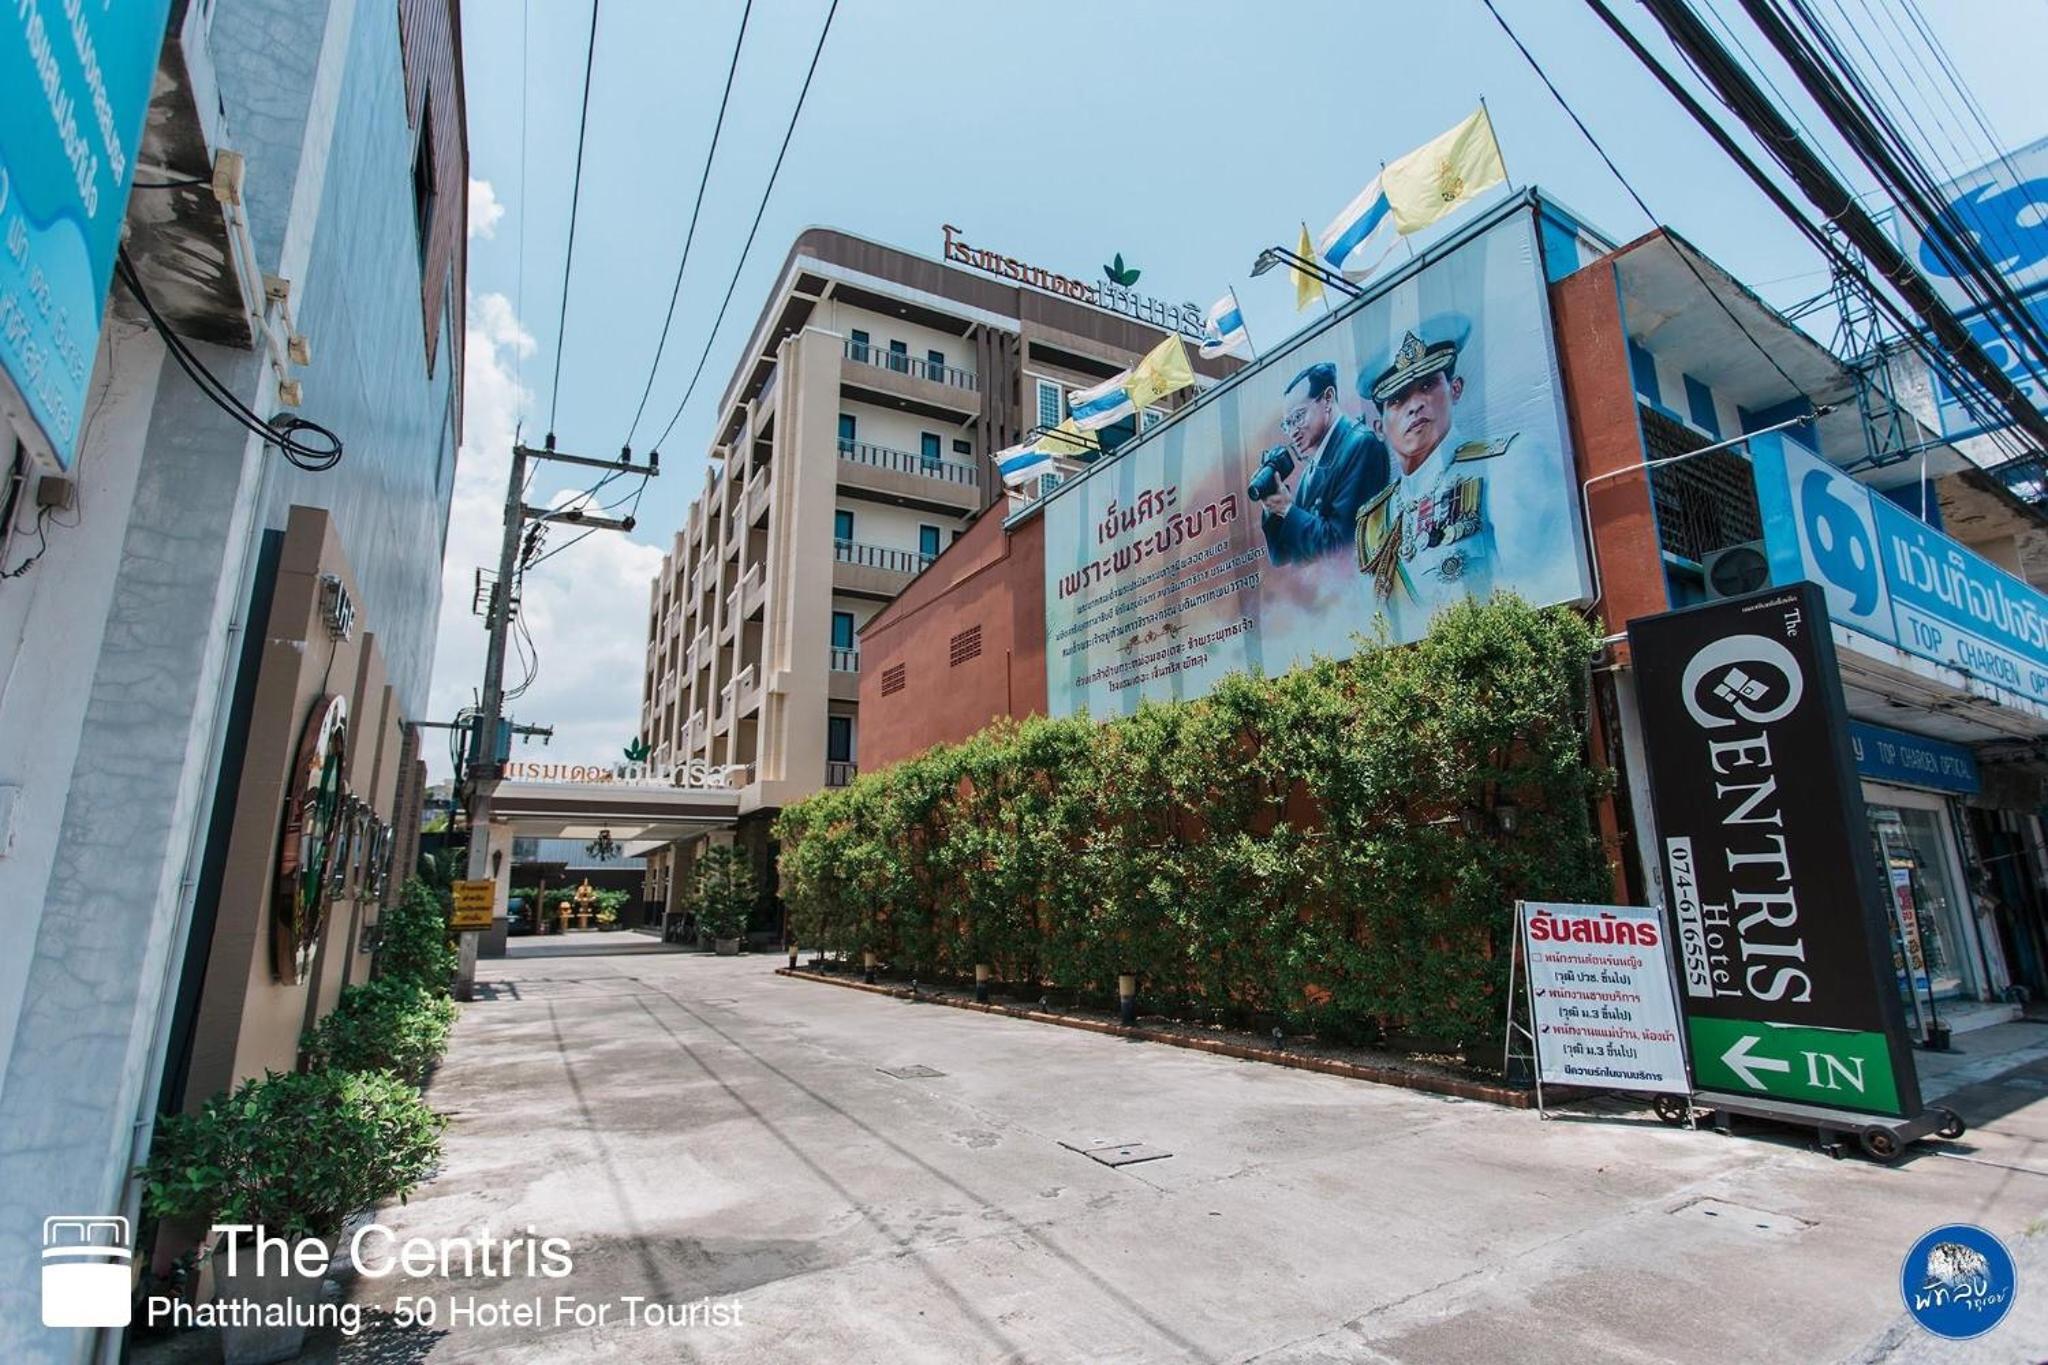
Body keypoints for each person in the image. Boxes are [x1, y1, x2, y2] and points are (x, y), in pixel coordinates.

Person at [1354, 328, 1515, 633]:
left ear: (1455, 389)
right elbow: (1373, 627)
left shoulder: (1503, 465)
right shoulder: (1371, 522)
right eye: (1397, 399)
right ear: (1378, 427)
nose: (1415, 405)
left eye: (1427, 385)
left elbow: (1542, 585)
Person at [1258, 361, 1389, 565]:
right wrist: (1272, 508)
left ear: (1328, 398)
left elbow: (1342, 548)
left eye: (1298, 417)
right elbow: (1282, 557)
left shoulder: (1360, 445)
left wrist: (1288, 509)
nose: (1293, 431)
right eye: (1288, 424)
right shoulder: (1310, 471)